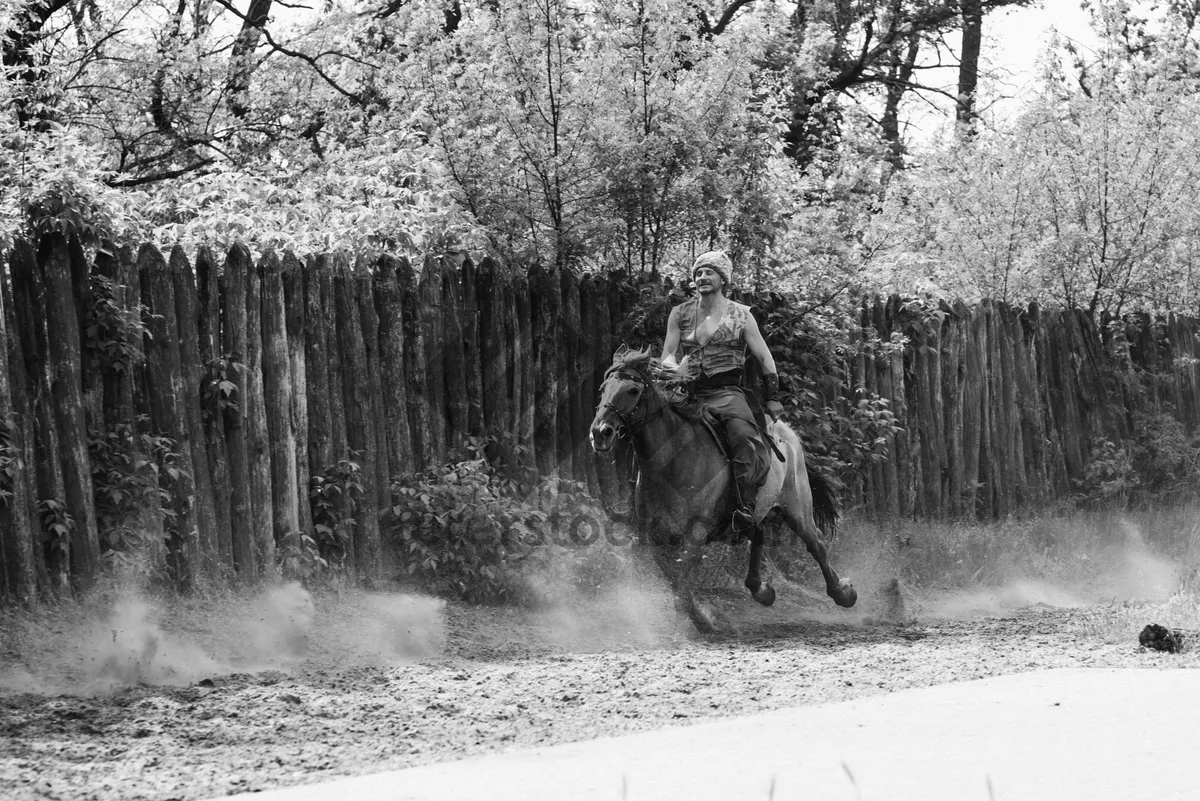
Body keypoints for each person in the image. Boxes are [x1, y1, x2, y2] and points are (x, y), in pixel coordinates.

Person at [660, 250, 784, 534]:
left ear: (722, 278)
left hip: (727, 392)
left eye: (709, 273)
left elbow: (765, 359)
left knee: (744, 436)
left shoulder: (741, 315)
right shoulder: (679, 313)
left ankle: (744, 506)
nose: (702, 277)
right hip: (688, 393)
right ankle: (646, 497)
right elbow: (667, 355)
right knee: (651, 427)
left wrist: (773, 396)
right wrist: (673, 369)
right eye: (698, 273)